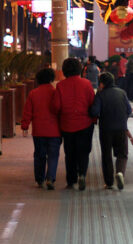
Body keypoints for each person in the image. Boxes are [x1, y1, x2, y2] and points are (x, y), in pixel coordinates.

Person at [52, 58, 95, 191]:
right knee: (83, 151)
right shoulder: (87, 84)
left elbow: (56, 106)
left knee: (69, 152)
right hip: (85, 123)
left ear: (64, 70)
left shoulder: (60, 85)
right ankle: (82, 173)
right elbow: (92, 103)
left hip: (67, 124)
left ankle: (71, 179)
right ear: (80, 69)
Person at [89, 72, 132, 190]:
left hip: (106, 129)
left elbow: (94, 112)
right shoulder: (122, 93)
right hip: (121, 128)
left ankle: (109, 182)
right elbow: (129, 110)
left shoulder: (100, 95)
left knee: (106, 155)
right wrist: (123, 120)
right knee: (122, 154)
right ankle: (120, 173)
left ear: (102, 83)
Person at [21, 68, 62, 190]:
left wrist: (25, 125)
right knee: (53, 155)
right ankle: (50, 178)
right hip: (55, 131)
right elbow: (60, 110)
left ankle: (40, 179)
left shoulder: (33, 93)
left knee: (39, 155)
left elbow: (28, 111)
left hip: (39, 131)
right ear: (51, 79)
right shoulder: (55, 92)